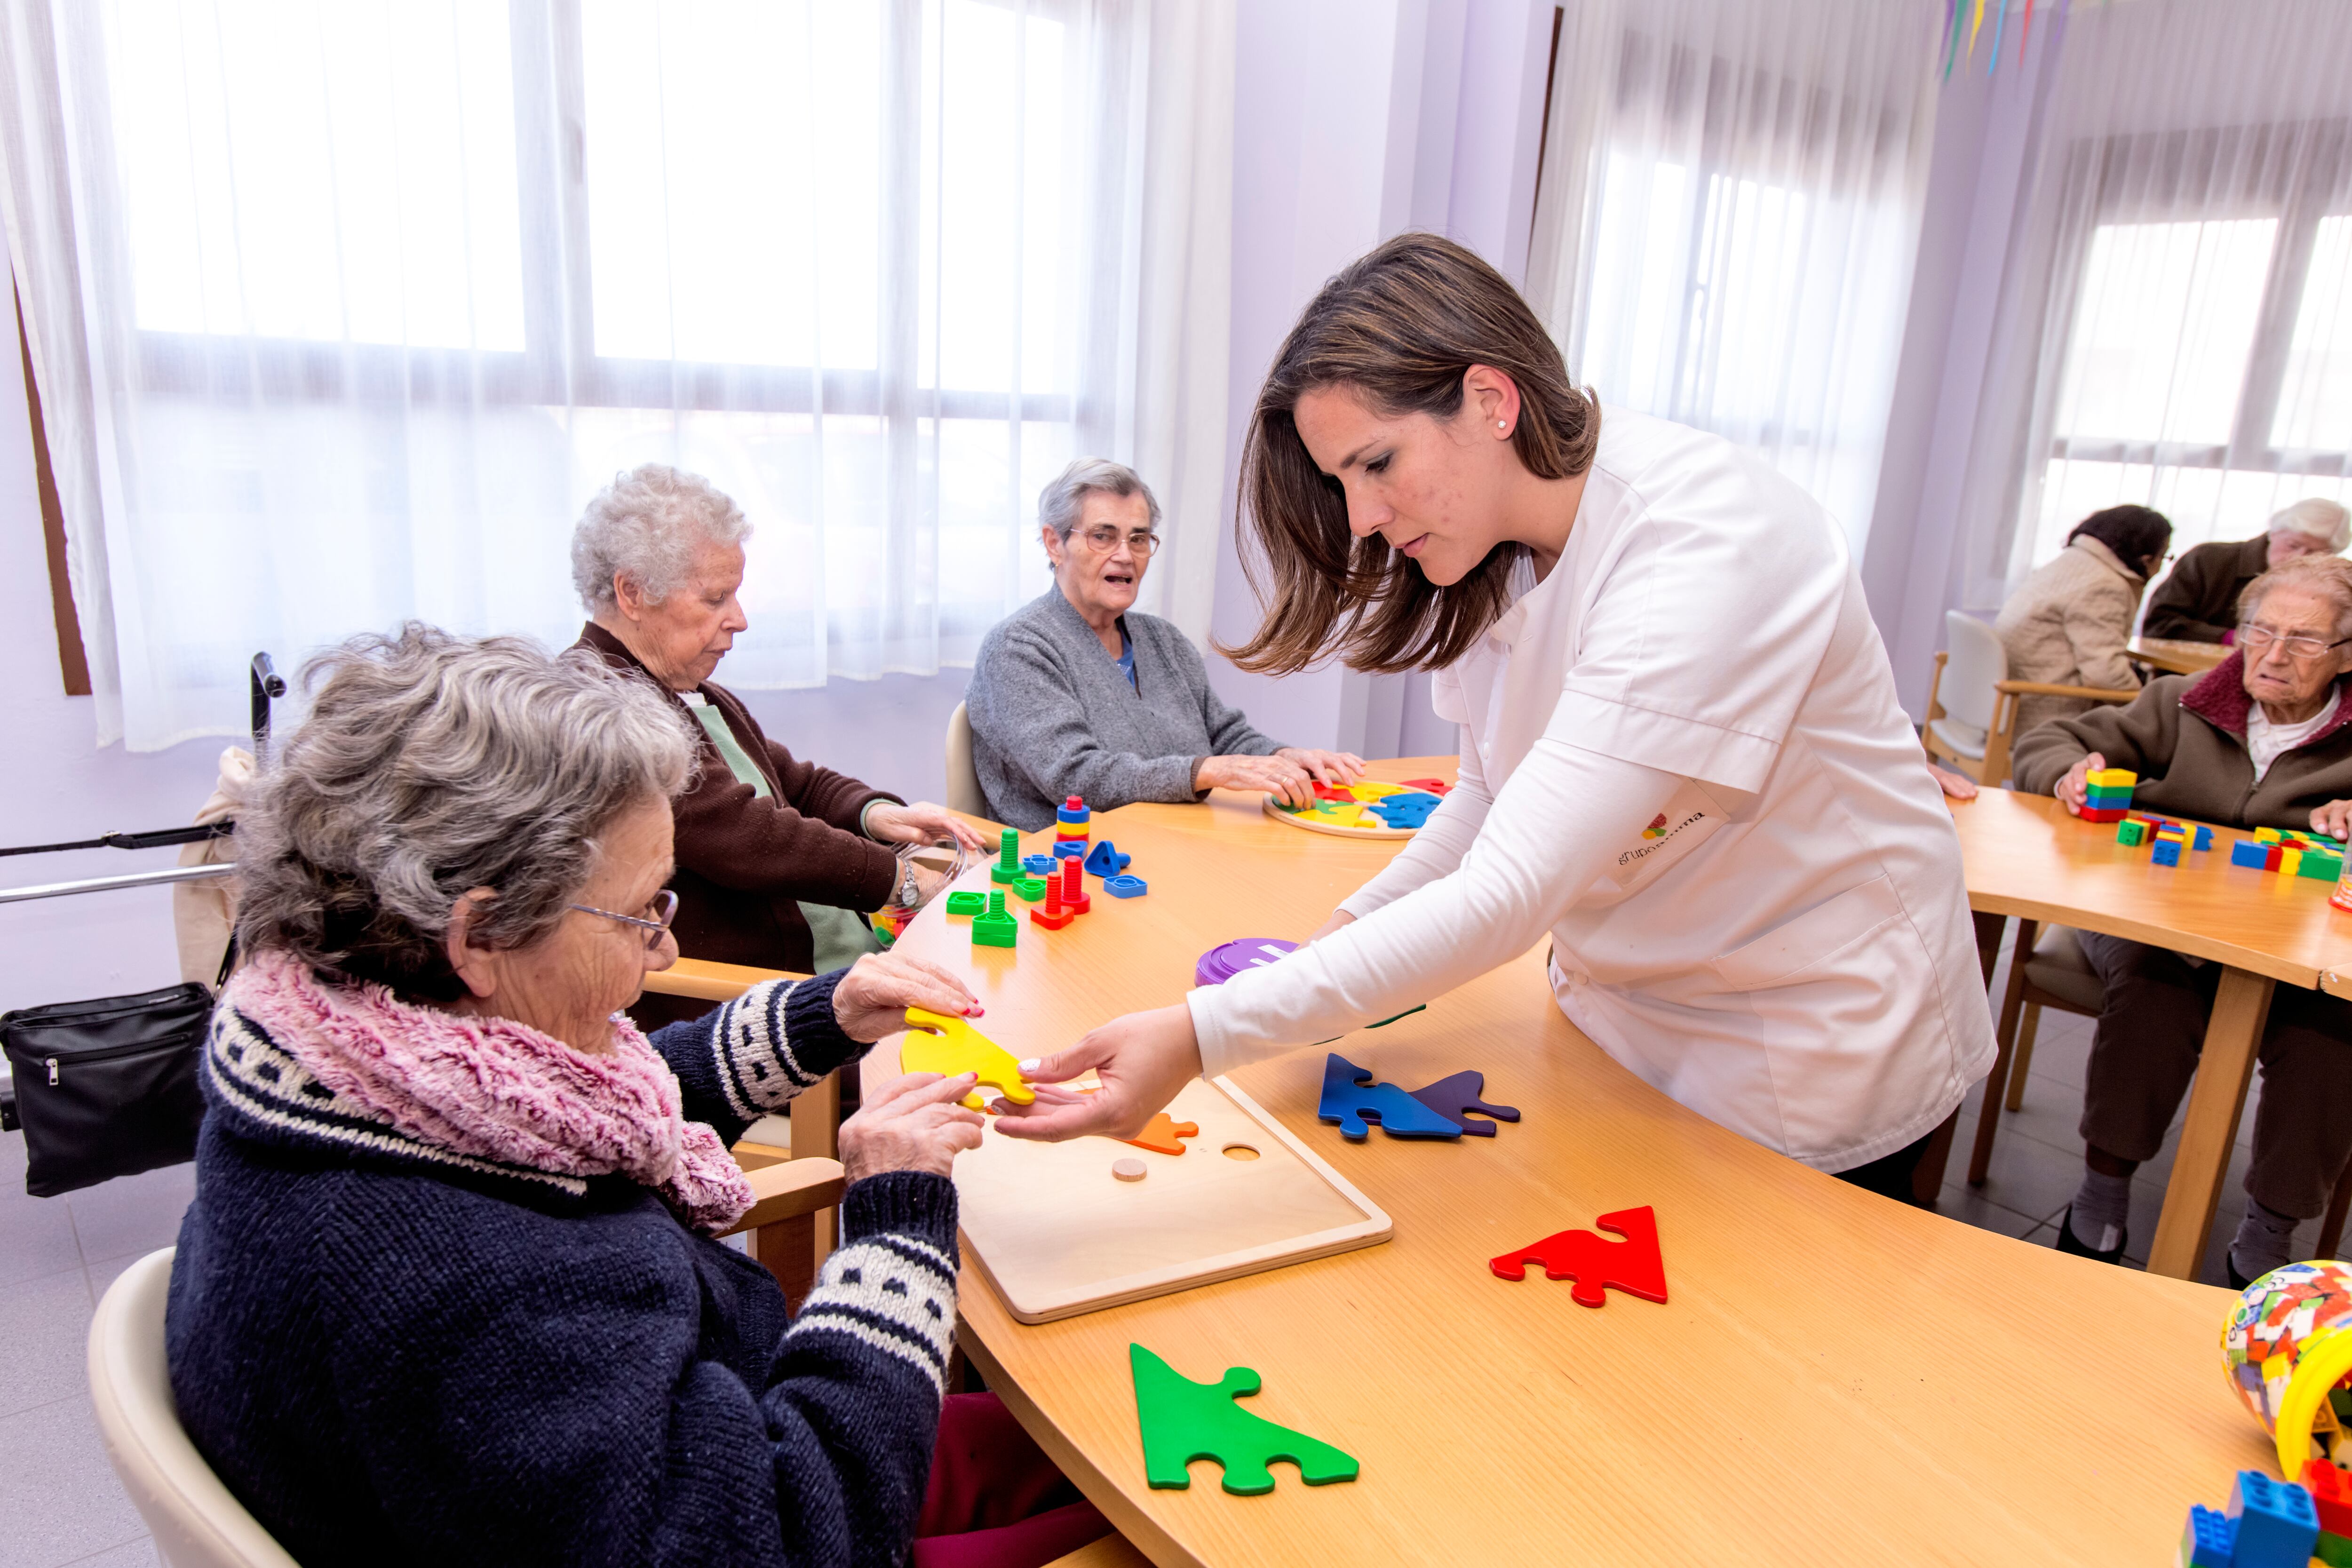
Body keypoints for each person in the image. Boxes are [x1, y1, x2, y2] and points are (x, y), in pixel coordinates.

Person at [993, 234, 1996, 1202]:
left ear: (1489, 398)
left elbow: (1511, 889)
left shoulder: (1701, 541)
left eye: (1375, 463)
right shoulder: (1488, 549)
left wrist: (1203, 1033)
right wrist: (1328, 944)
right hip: (1625, 1008)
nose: (1360, 518)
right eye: (1343, 481)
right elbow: (1482, 805)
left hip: (1804, 1030)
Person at [167, 627, 1111, 1568]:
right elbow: (790, 1541)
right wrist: (893, 1231)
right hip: (768, 1507)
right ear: (480, 933)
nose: (663, 950)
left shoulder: (349, 1064)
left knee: (1092, 1433)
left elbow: (610, 1108)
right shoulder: (479, 1289)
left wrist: (830, 1011)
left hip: (685, 1447)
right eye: (642, 910)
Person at [2012, 553, 2352, 1286]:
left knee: (2332, 1033)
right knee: (2154, 985)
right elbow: (2048, 742)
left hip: (2290, 940)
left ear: (2346, 656)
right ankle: (2101, 1193)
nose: (2275, 654)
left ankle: (2270, 1233)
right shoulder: (2185, 699)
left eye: (2305, 640)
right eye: (2262, 631)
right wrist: (2069, 776)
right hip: (2156, 915)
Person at [568, 464, 984, 1025]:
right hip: (775, 1007)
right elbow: (746, 837)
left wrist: (880, 814)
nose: (738, 619)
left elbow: (795, 783)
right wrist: (904, 881)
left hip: (839, 969)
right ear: (632, 592)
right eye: (715, 598)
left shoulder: (683, 688)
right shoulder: (602, 707)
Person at [965, 458, 1366, 832]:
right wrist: (1208, 772)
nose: (1125, 556)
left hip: (1178, 843)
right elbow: (1076, 779)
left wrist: (1281, 758)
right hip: (1069, 870)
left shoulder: (1164, 640)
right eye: (1103, 536)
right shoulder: (1018, 648)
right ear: (1054, 544)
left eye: (1138, 539)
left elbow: (1224, 737)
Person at [1993, 505, 2172, 736]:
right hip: (2044, 716)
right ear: (2147, 559)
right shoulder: (2104, 584)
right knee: (2158, 727)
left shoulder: (2072, 563)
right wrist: (2148, 701)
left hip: (2007, 703)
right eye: (2165, 557)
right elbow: (2105, 674)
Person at [2140, 498, 2351, 643]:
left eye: (2314, 553)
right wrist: (2234, 638)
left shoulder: (2333, 585)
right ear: (2274, 534)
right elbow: (2159, 624)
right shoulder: (2208, 559)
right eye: (2293, 546)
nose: (2299, 558)